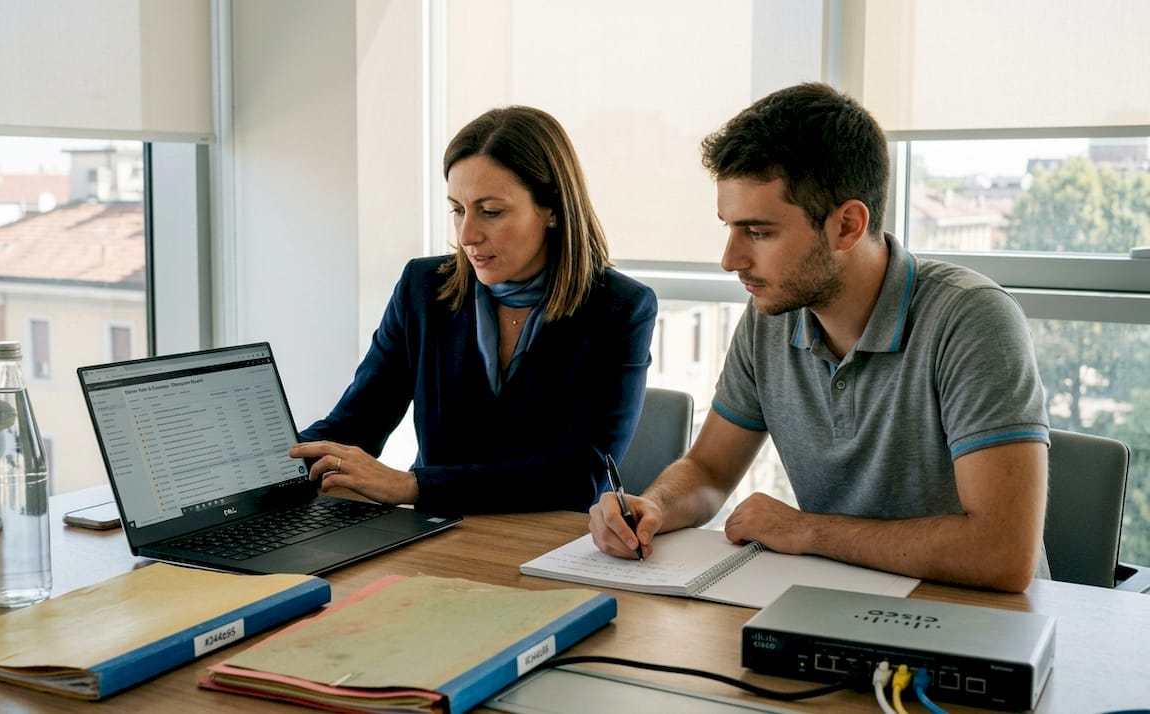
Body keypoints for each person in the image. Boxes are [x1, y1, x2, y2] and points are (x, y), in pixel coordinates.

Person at [588, 83, 1049, 593]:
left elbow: (1002, 552)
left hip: (979, 620)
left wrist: (807, 529)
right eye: (730, 228)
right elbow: (709, 469)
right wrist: (655, 505)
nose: (731, 259)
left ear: (847, 226)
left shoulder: (971, 320)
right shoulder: (772, 313)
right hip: (838, 602)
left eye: (758, 232)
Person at [291, 106, 657, 515]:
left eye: (491, 212)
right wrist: (257, 470)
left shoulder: (619, 308)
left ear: (551, 209)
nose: (467, 235)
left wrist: (411, 486)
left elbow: (577, 477)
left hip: (547, 545)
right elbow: (354, 425)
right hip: (435, 537)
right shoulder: (423, 288)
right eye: (458, 210)